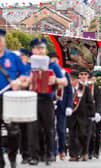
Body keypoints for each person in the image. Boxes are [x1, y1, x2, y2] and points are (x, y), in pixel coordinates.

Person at [28, 38, 67, 166]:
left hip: (47, 100)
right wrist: (28, 80)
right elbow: (21, 79)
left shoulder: (52, 65)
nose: (40, 51)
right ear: (33, 50)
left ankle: (48, 154)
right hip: (32, 99)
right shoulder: (28, 65)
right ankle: (34, 155)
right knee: (34, 128)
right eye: (38, 48)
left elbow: (64, 82)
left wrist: (55, 79)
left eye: (42, 48)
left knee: (48, 128)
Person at [0, 29, 27, 168]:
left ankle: (12, 157)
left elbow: (24, 73)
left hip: (10, 98)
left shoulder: (12, 57)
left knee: (13, 130)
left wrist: (18, 81)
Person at [48, 52, 73, 161]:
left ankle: (61, 150)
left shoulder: (63, 73)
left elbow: (69, 91)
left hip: (61, 104)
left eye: (55, 60)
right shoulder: (47, 73)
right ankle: (53, 152)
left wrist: (69, 106)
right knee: (50, 129)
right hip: (49, 103)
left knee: (61, 130)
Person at [67, 70, 94, 161]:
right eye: (70, 80)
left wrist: (92, 114)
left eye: (73, 80)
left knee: (83, 135)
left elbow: (90, 102)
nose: (71, 82)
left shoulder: (84, 88)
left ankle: (84, 152)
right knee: (72, 135)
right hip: (71, 115)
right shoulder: (68, 88)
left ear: (77, 80)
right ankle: (73, 155)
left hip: (83, 115)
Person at [18, 48, 32, 164]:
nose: (20, 58)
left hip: (28, 100)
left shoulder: (30, 67)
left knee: (26, 128)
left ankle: (26, 154)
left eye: (22, 56)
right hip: (14, 99)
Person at [88, 72, 101, 160]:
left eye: (94, 79)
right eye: (91, 79)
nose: (93, 81)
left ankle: (96, 152)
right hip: (89, 114)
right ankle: (89, 151)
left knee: (97, 134)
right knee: (90, 133)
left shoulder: (99, 89)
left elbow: (100, 102)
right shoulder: (86, 88)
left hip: (98, 114)